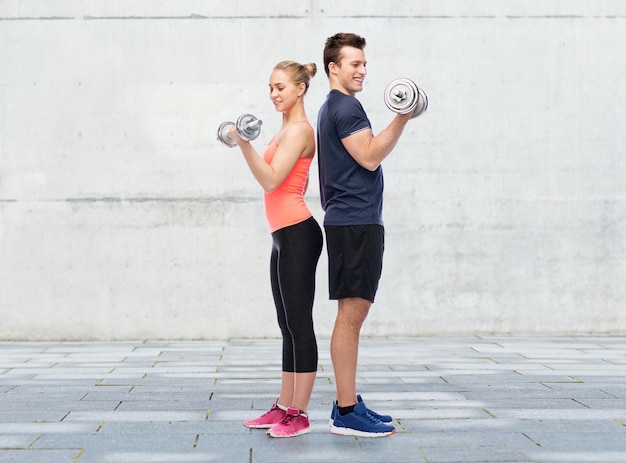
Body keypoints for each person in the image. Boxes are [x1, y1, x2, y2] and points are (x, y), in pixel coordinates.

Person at [317, 33, 413, 437]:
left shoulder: (334, 107)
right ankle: (345, 411)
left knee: (353, 313)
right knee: (350, 315)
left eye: (364, 64)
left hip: (354, 221)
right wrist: (403, 116)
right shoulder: (346, 107)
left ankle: (349, 403)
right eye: (354, 64)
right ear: (333, 68)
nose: (362, 70)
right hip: (353, 223)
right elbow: (370, 156)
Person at [228, 61, 323, 438]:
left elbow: (270, 181)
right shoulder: (284, 130)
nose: (273, 94)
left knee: (300, 326)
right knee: (286, 325)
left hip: (299, 234)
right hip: (282, 236)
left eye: (281, 87)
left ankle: (300, 414)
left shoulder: (300, 131)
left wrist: (244, 144)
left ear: (300, 89)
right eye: (270, 87)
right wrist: (246, 142)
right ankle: (285, 405)